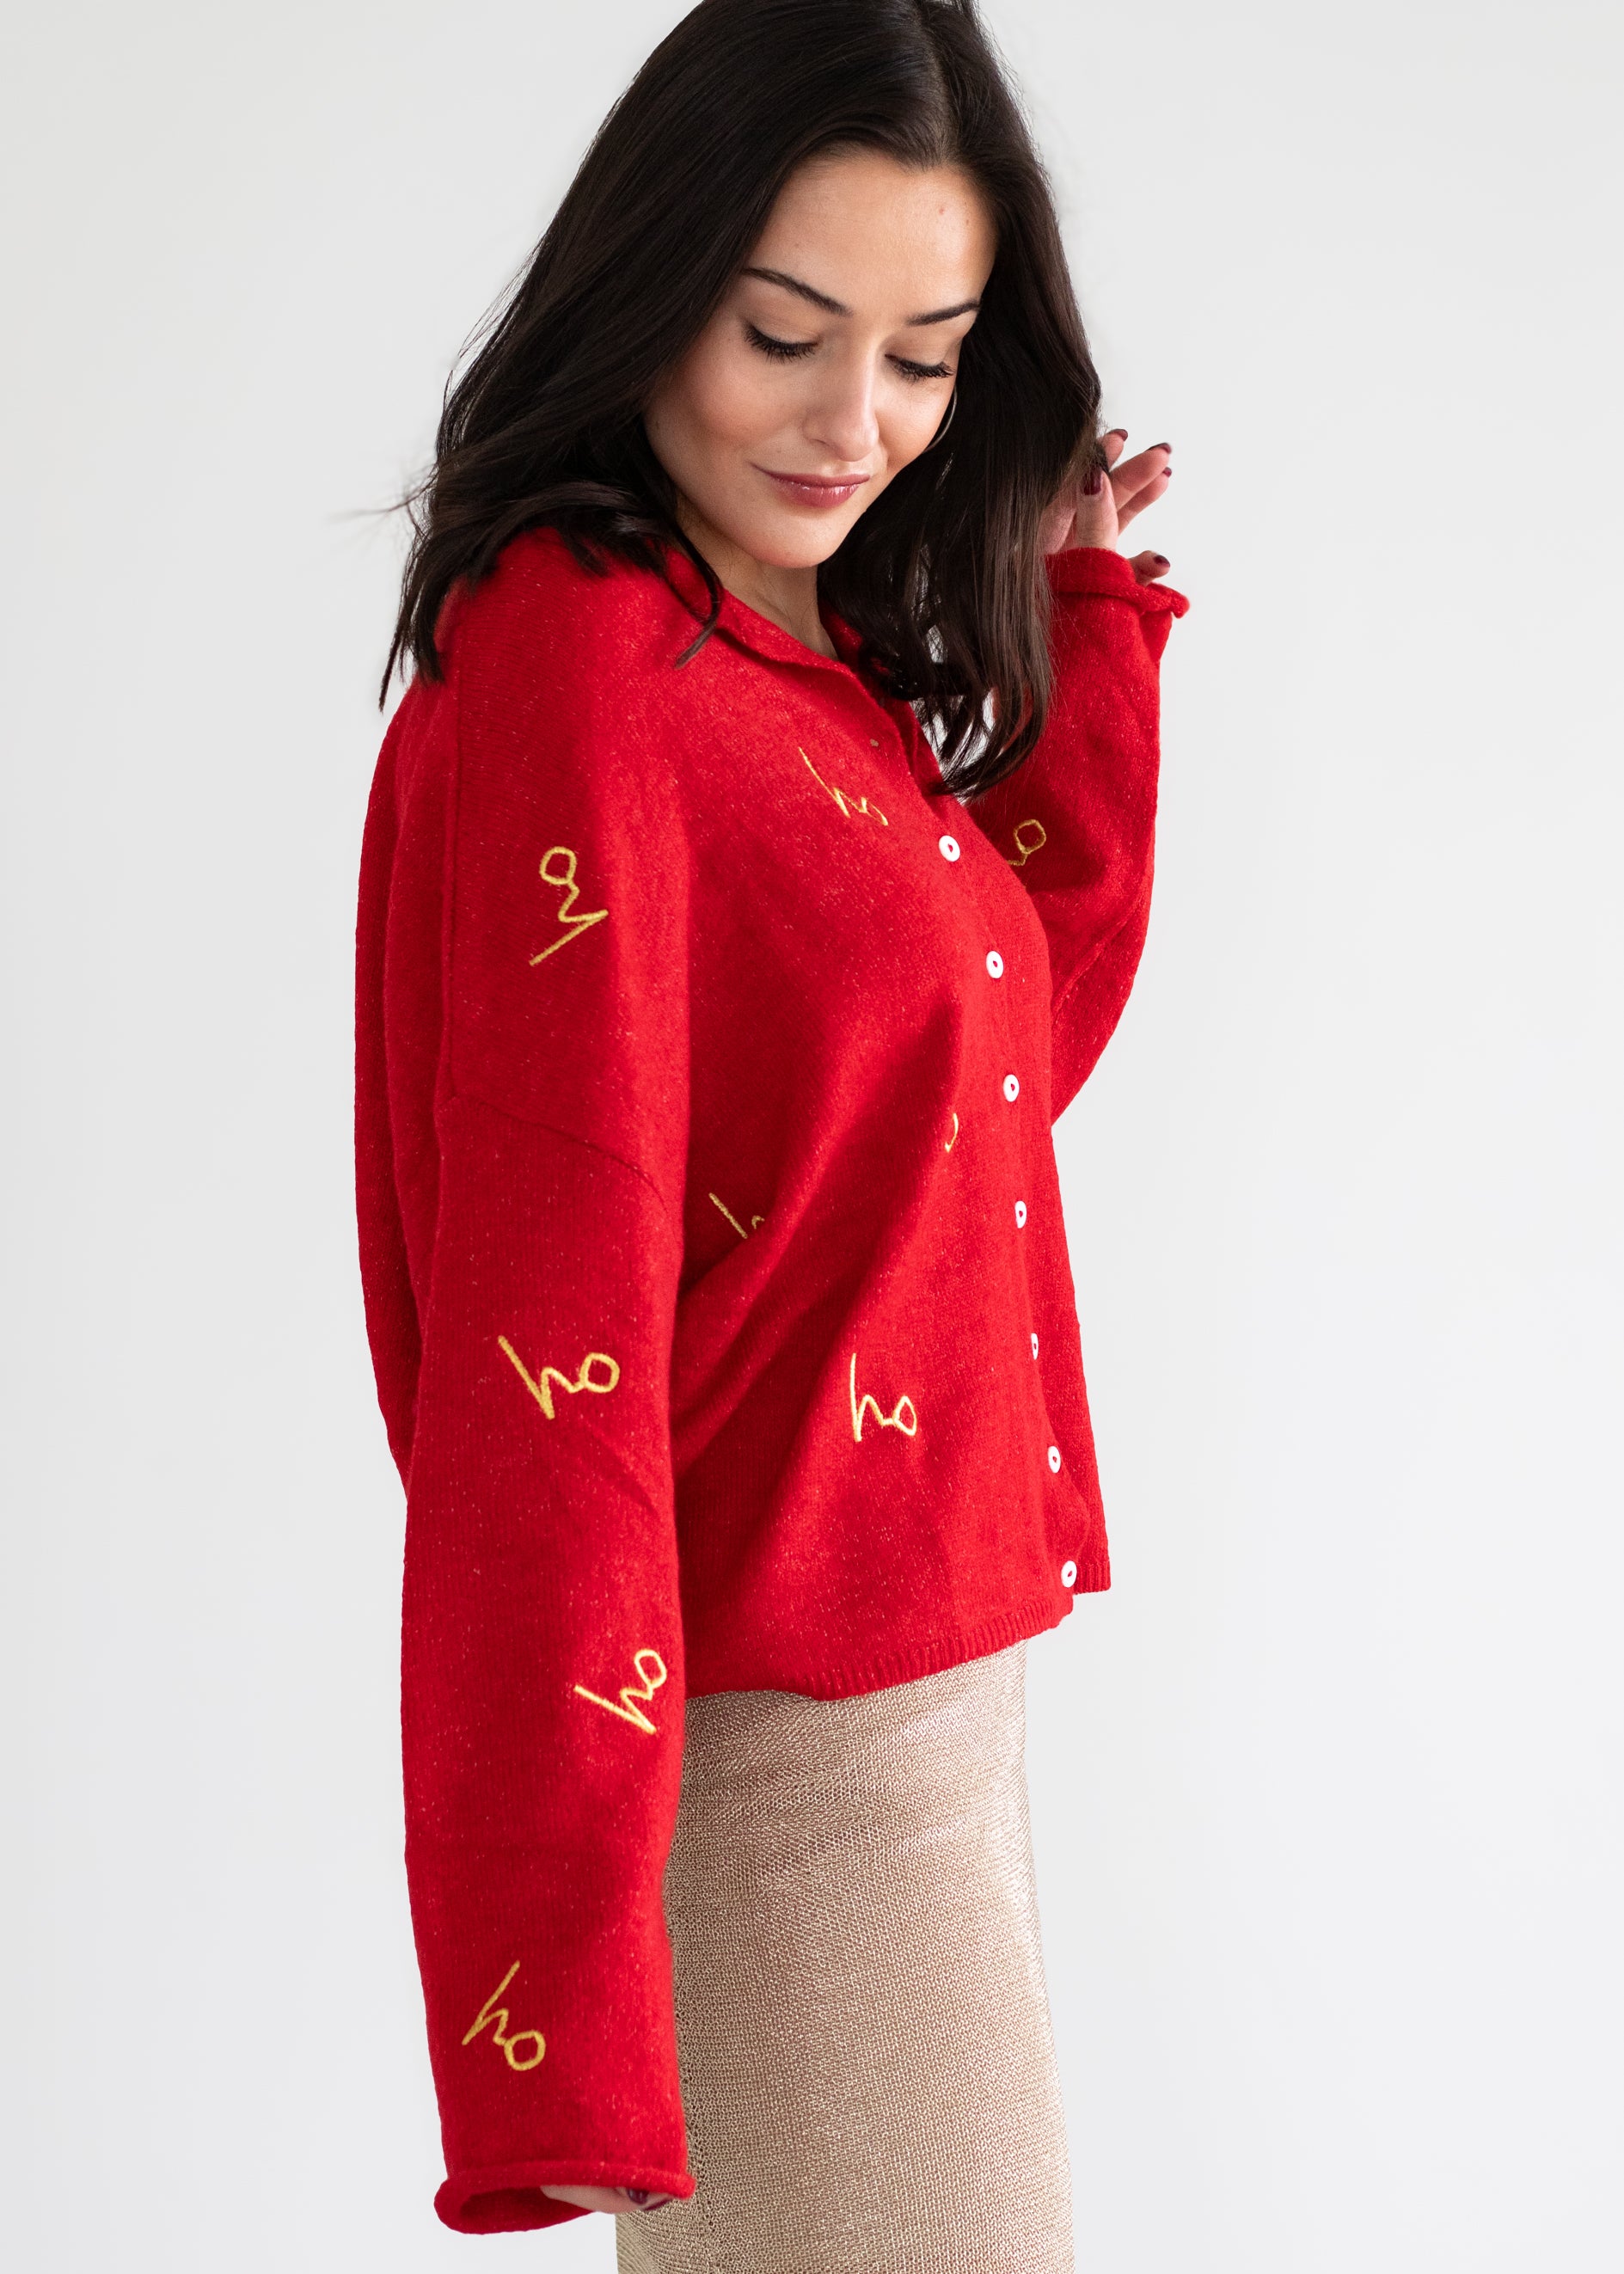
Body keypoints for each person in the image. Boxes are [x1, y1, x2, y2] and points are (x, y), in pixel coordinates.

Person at [353, 1, 1186, 2264]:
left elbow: (962, 1098)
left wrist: (1084, 631)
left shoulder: (776, 655)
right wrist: (552, 1978)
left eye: (924, 357)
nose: (854, 424)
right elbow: (540, 1325)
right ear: (650, 285)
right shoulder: (582, 665)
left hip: (925, 1718)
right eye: (786, 335)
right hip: (775, 1768)